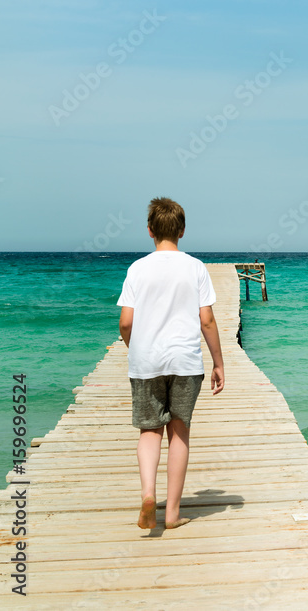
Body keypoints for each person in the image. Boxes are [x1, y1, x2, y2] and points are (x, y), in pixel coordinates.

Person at [117, 197, 225, 529]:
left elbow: (125, 322)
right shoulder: (195, 268)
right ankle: (174, 513)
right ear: (182, 231)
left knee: (149, 431)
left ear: (150, 230)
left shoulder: (137, 268)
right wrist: (219, 363)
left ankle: (149, 494)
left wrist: (136, 348)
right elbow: (206, 320)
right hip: (186, 362)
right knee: (179, 432)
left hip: (146, 360)